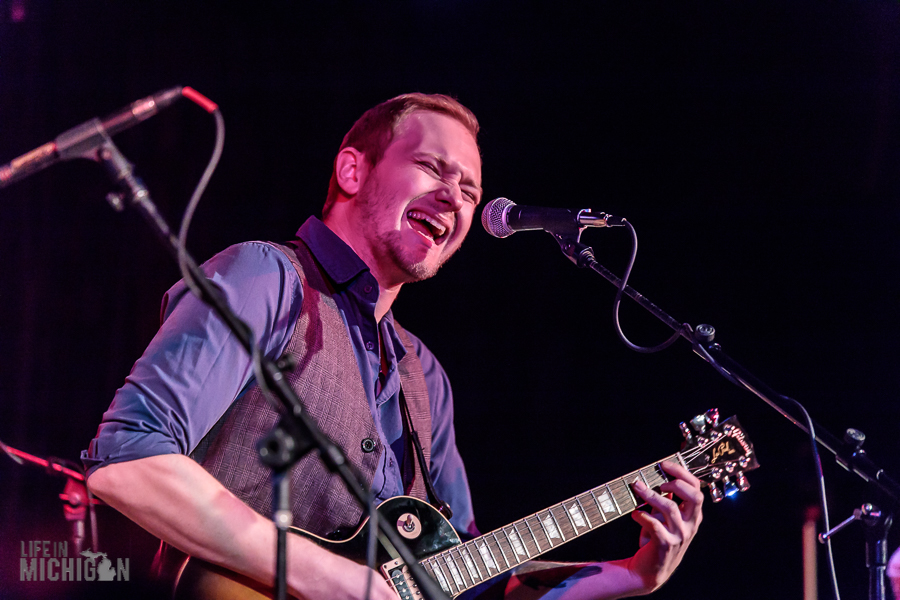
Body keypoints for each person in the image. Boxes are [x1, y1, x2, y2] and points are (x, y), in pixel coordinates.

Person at [83, 93, 704, 599]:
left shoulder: (425, 376)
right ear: (354, 170)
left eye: (469, 191)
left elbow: (470, 586)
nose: (453, 198)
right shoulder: (264, 277)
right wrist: (337, 581)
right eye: (434, 168)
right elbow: (128, 460)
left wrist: (631, 576)